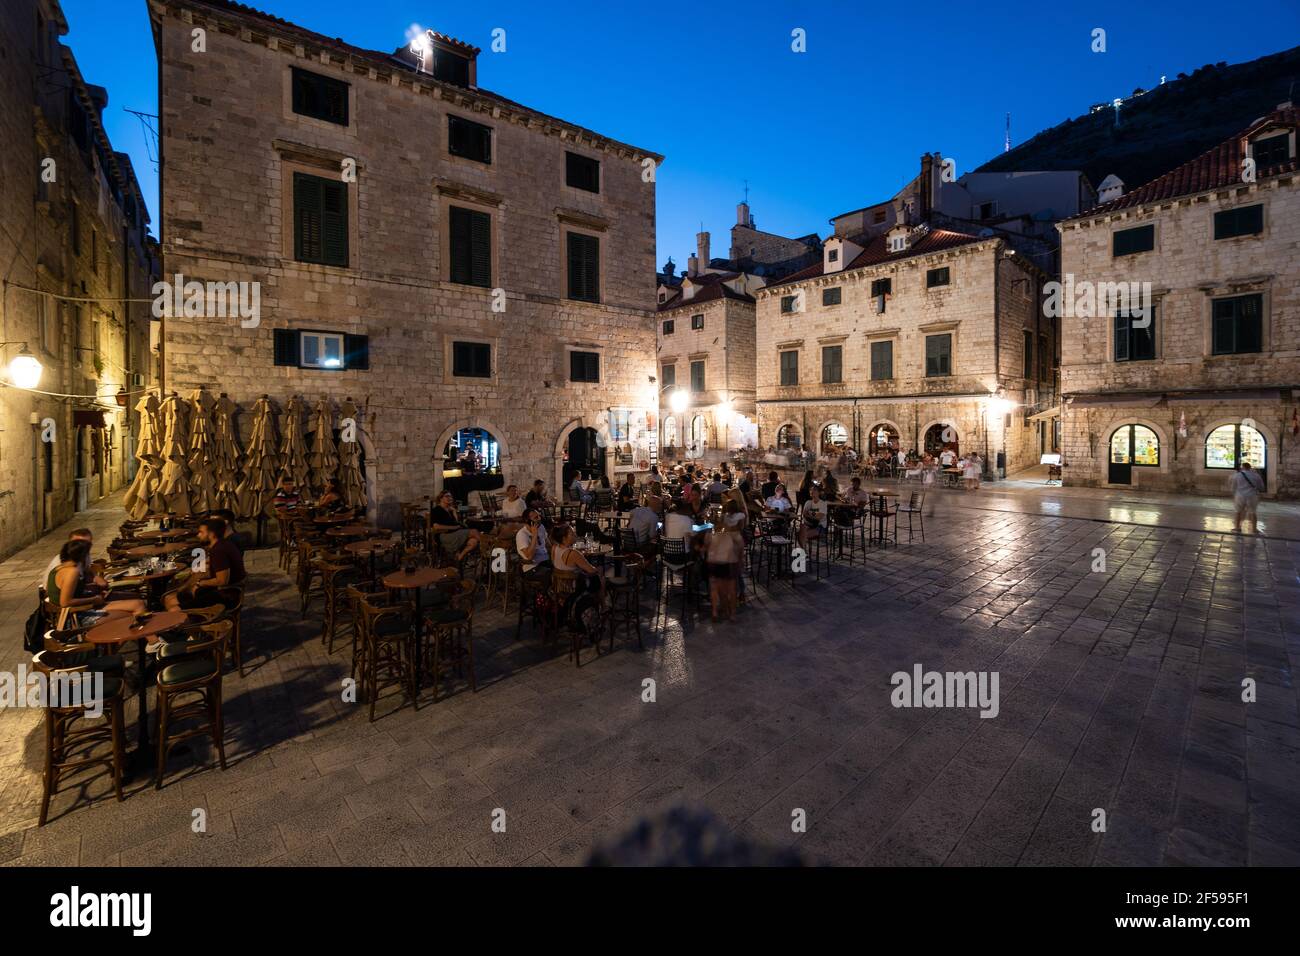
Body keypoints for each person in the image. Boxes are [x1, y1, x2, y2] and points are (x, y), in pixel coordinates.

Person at [48, 539, 146, 623]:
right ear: (82, 556)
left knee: (137, 603)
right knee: (138, 606)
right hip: (78, 617)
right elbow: (65, 602)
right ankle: (151, 641)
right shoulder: (72, 572)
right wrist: (93, 599)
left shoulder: (58, 569)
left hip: (79, 610)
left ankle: (151, 641)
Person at [165, 518, 245, 611]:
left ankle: (190, 622)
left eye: (201, 532)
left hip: (228, 595)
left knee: (173, 607)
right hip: (230, 590)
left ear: (211, 534)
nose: (198, 535)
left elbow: (222, 581)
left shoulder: (219, 550)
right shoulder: (223, 544)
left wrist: (200, 583)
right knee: (170, 598)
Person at [550, 524, 603, 631]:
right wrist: (598, 569)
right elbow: (592, 570)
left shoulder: (554, 548)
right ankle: (603, 607)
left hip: (559, 587)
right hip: (573, 589)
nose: (575, 534)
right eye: (571, 533)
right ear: (564, 538)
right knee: (600, 575)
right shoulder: (573, 553)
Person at [429, 491, 482, 563]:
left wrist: (454, 511)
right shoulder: (436, 510)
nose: (450, 498)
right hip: (444, 535)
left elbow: (455, 523)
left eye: (450, 496)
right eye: (447, 496)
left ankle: (459, 557)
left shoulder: (450, 510)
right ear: (441, 498)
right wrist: (454, 528)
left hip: (455, 533)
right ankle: (487, 552)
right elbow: (436, 527)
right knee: (474, 531)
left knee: (473, 541)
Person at [705, 524, 744, 622]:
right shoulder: (736, 535)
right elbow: (740, 552)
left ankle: (715, 612)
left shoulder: (711, 534)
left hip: (713, 562)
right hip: (728, 562)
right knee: (731, 590)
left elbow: (706, 546)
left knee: (715, 588)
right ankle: (732, 614)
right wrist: (740, 564)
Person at [1231, 461, 1265, 533]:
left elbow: (1233, 486)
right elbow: (1261, 487)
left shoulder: (1237, 475)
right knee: (1253, 512)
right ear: (1250, 468)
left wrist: (1234, 494)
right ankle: (1254, 529)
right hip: (1252, 496)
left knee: (1238, 512)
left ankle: (1237, 528)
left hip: (1240, 495)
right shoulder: (1256, 475)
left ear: (1242, 467)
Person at [798, 484, 827, 549]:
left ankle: (803, 553)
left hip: (820, 527)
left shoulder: (823, 503)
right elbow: (804, 515)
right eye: (811, 490)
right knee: (802, 527)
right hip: (809, 525)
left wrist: (809, 515)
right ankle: (804, 553)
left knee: (802, 535)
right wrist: (811, 516)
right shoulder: (808, 502)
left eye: (814, 490)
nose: (812, 491)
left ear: (819, 492)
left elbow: (819, 518)